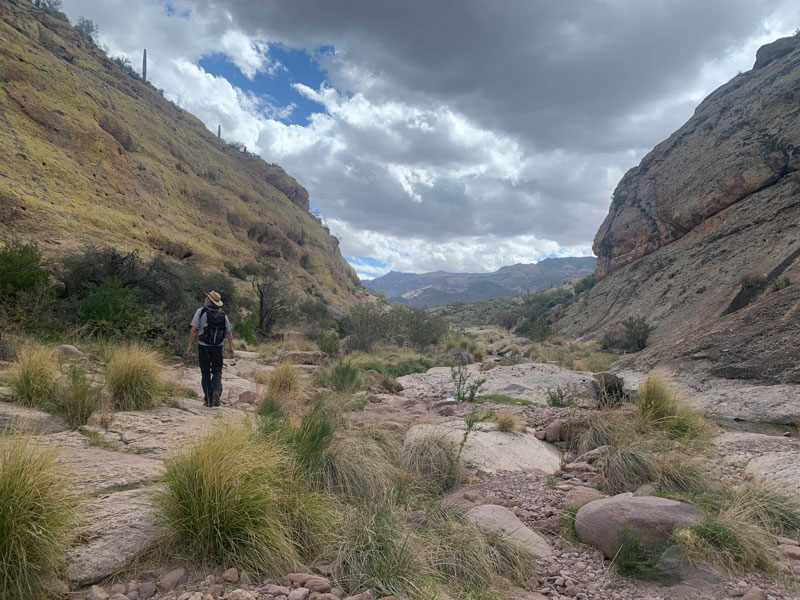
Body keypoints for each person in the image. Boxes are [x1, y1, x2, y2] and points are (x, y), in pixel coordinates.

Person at [185, 291, 234, 407]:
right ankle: (217, 391)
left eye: (206, 297)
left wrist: (190, 345)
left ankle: (208, 399)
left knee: (205, 372)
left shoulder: (200, 311)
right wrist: (231, 347)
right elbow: (228, 332)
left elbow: (194, 330)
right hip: (217, 347)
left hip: (203, 346)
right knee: (217, 371)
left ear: (208, 300)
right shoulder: (223, 314)